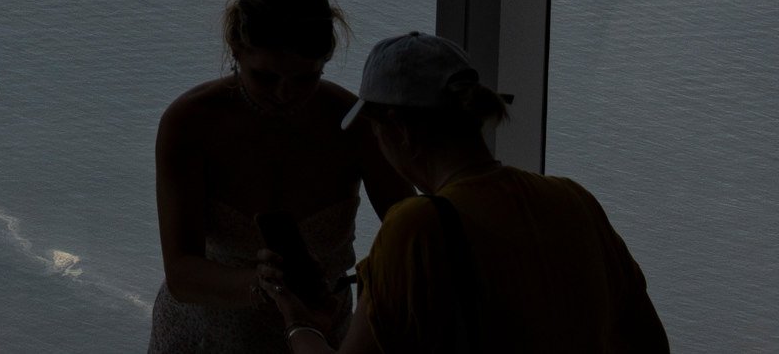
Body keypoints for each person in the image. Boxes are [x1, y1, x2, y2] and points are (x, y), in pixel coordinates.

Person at [262, 33, 666, 354]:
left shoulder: (415, 228)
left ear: (398, 129)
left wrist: (301, 324)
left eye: (374, 131)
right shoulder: (575, 201)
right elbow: (647, 342)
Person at [148, 0, 409, 353]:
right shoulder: (190, 123)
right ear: (236, 50)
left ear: (326, 60)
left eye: (306, 78)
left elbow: (410, 229)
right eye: (264, 76)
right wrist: (263, 284)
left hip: (322, 332)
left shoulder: (355, 126)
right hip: (205, 337)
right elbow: (182, 274)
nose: (285, 94)